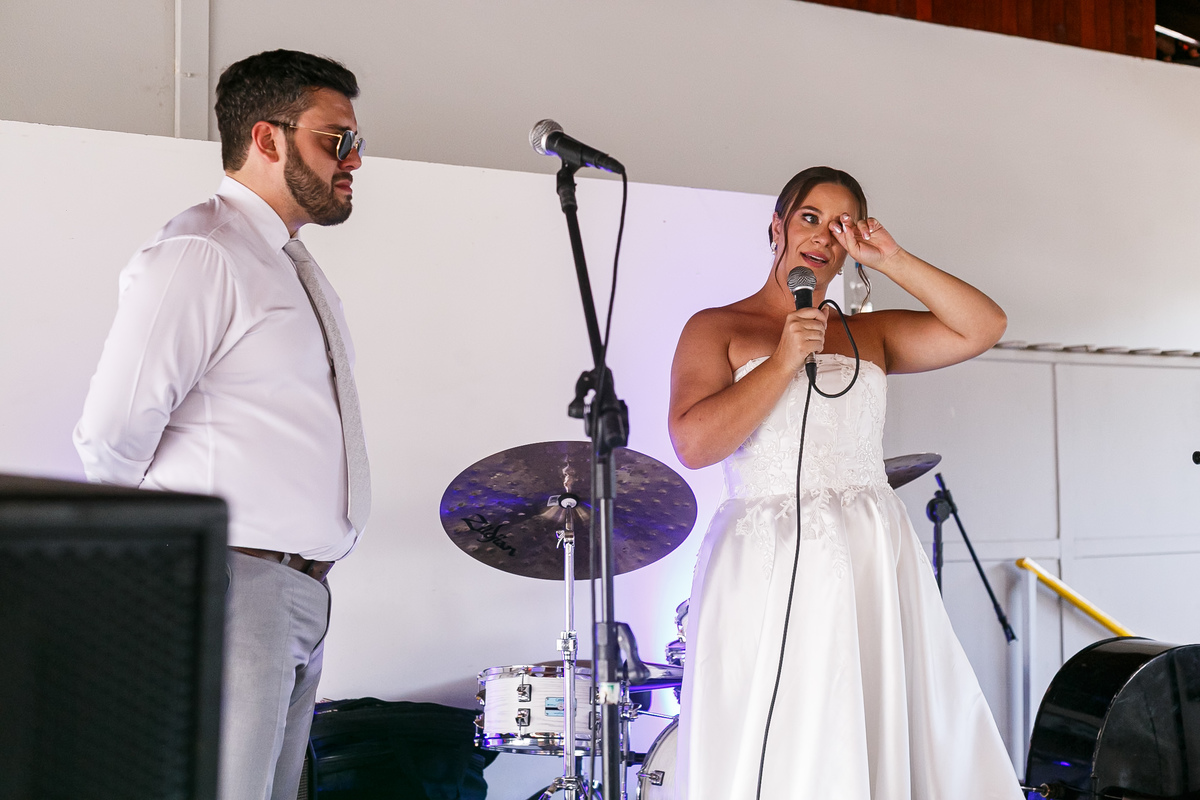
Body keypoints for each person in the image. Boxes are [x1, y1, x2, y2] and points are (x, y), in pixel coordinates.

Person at [668, 166, 1021, 799]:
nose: (823, 235)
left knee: (876, 719)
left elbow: (983, 326)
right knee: (782, 731)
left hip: (870, 553)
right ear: (777, 227)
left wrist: (892, 259)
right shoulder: (716, 327)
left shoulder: (870, 332)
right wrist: (782, 360)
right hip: (768, 558)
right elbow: (694, 445)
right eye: (810, 217)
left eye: (841, 224)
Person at [73, 50, 371, 800]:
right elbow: (108, 439)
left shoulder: (281, 262)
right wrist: (182, 569)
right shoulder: (202, 252)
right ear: (267, 138)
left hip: (294, 594)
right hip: (232, 586)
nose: (354, 159)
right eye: (336, 139)